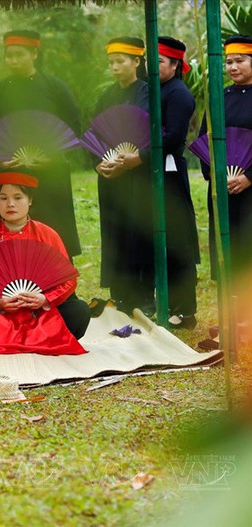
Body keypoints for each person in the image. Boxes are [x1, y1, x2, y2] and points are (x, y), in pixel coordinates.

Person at [0, 172, 90, 355]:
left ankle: (11, 340)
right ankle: (24, 339)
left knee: (79, 310)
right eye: (3, 198)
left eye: (17, 197)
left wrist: (45, 299)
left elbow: (67, 280)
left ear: (30, 200)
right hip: (0, 317)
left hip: (42, 315)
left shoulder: (47, 234)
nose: (10, 204)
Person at [0, 30, 81, 258]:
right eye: (9, 55)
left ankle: (59, 284)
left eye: (19, 54)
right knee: (11, 228)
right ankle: (11, 280)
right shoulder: (0, 91)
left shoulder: (55, 88)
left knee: (53, 228)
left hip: (50, 172)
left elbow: (73, 127)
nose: (13, 61)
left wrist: (51, 156)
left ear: (34, 53)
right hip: (10, 172)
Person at [93, 37, 155, 317]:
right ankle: (119, 294)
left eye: (121, 62)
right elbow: (94, 133)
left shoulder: (147, 93)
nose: (115, 68)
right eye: (111, 63)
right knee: (114, 232)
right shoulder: (106, 96)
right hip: (110, 177)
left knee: (138, 232)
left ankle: (144, 295)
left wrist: (130, 162)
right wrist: (98, 163)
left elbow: (154, 132)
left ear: (137, 62)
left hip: (137, 176)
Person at [200, 34, 252, 289]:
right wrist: (216, 174)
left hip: (250, 188)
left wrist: (248, 177)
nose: (232, 67)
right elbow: (204, 138)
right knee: (225, 245)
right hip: (222, 188)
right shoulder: (219, 97)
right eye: (229, 61)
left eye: (239, 61)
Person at [156, 36, 199, 329]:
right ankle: (162, 302)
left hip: (170, 175)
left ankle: (185, 310)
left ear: (175, 64)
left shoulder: (179, 94)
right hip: (151, 173)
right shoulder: (153, 90)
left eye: (158, 61)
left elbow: (171, 139)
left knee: (177, 241)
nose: (151, 66)